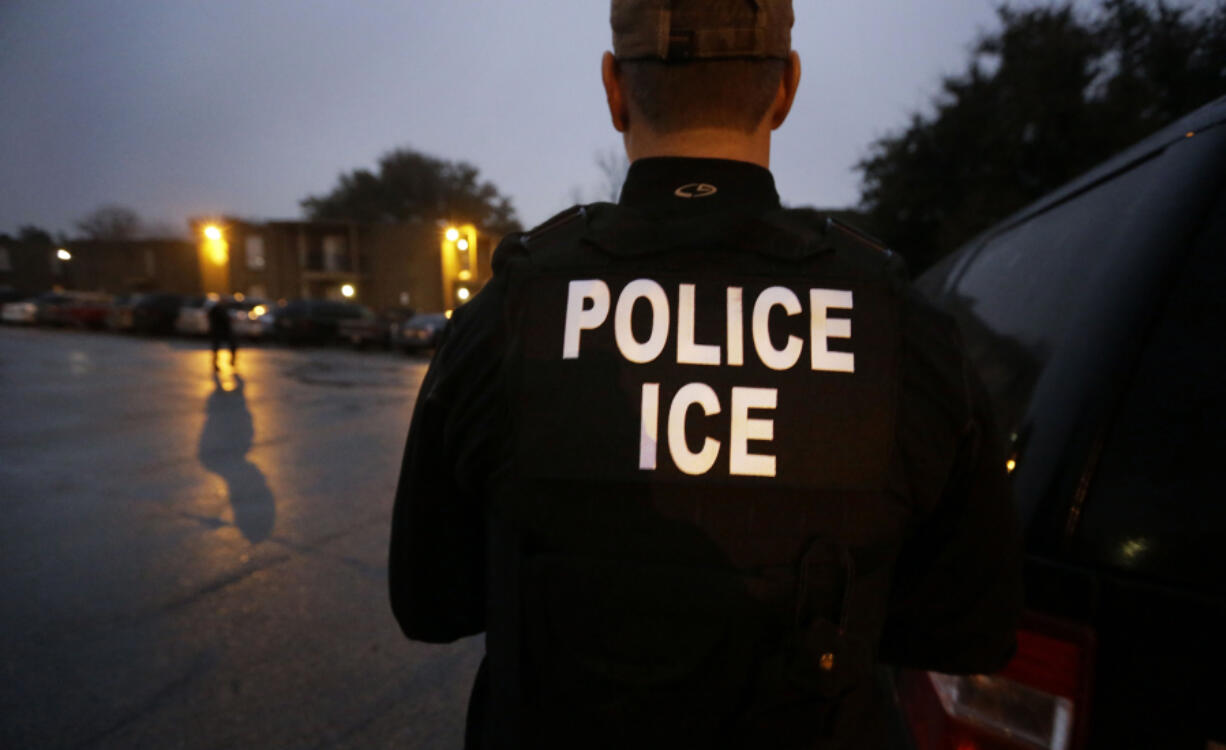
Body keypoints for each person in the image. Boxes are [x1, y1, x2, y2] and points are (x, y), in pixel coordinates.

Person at [389, 1, 1022, 747]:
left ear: (614, 88)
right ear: (785, 88)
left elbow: (430, 604)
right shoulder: (905, 329)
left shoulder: (506, 315)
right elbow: (968, 632)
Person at [207, 298, 237, 370]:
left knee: (232, 345)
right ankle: (215, 364)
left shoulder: (226, 309)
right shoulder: (216, 309)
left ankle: (231, 361)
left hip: (225, 331)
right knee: (216, 348)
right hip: (217, 330)